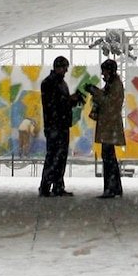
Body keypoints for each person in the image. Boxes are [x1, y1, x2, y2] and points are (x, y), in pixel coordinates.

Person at [39, 55, 84, 197]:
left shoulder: (60, 83)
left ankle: (57, 185)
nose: (65, 71)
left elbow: (59, 103)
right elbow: (53, 104)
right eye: (64, 68)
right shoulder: (49, 83)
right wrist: (70, 99)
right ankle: (46, 186)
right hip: (55, 125)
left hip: (61, 125)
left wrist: (72, 100)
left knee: (60, 156)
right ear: (58, 67)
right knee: (53, 156)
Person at [82, 59, 126, 198]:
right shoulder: (112, 84)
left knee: (108, 158)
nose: (102, 74)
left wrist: (95, 92)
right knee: (109, 157)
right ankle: (114, 188)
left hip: (110, 126)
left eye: (104, 71)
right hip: (108, 125)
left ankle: (111, 188)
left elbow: (109, 103)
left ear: (110, 71)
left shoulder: (116, 85)